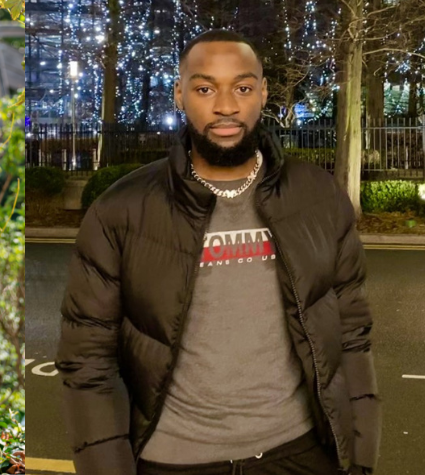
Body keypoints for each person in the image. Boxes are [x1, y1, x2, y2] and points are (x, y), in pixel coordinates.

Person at [56, 29, 380, 475]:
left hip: (301, 453)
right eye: (205, 88)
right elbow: (87, 361)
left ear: (263, 93)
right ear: (180, 95)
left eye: (242, 88)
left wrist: (359, 458)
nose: (226, 106)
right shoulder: (120, 210)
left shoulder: (318, 197)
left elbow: (352, 336)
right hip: (173, 461)